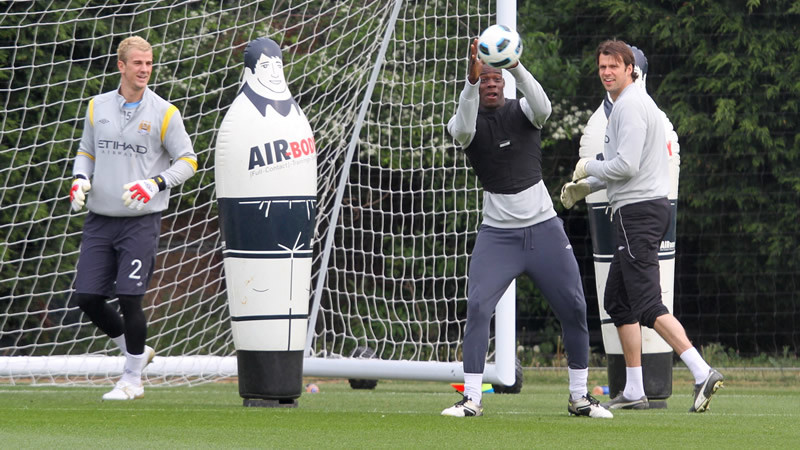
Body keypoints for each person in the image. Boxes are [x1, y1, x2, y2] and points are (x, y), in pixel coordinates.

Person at [441, 36, 612, 419]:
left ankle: (579, 397)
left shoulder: (524, 111)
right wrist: (470, 79)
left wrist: (514, 63)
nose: (490, 83)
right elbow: (464, 124)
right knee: (478, 306)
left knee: (574, 306)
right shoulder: (463, 123)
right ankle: (471, 398)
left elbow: (544, 106)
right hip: (498, 236)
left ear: (504, 81)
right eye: (484, 79)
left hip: (544, 230)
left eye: (495, 78)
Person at [570, 39, 723, 412]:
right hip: (634, 211)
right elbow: (624, 168)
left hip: (639, 214)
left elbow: (625, 167)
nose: (607, 72)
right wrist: (585, 187)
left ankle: (702, 371)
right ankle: (635, 389)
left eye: (614, 66)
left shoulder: (631, 106)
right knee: (617, 302)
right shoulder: (628, 105)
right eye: (602, 66)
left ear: (630, 69)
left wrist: (589, 167)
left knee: (648, 305)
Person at [69, 36, 198, 401]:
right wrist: (80, 178)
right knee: (87, 297)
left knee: (129, 296)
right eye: (138, 63)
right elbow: (85, 152)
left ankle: (131, 379)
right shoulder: (97, 107)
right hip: (99, 219)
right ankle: (137, 351)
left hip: (140, 221)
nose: (144, 70)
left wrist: (154, 183)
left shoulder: (165, 112)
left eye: (149, 63)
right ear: (121, 65)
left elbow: (188, 160)